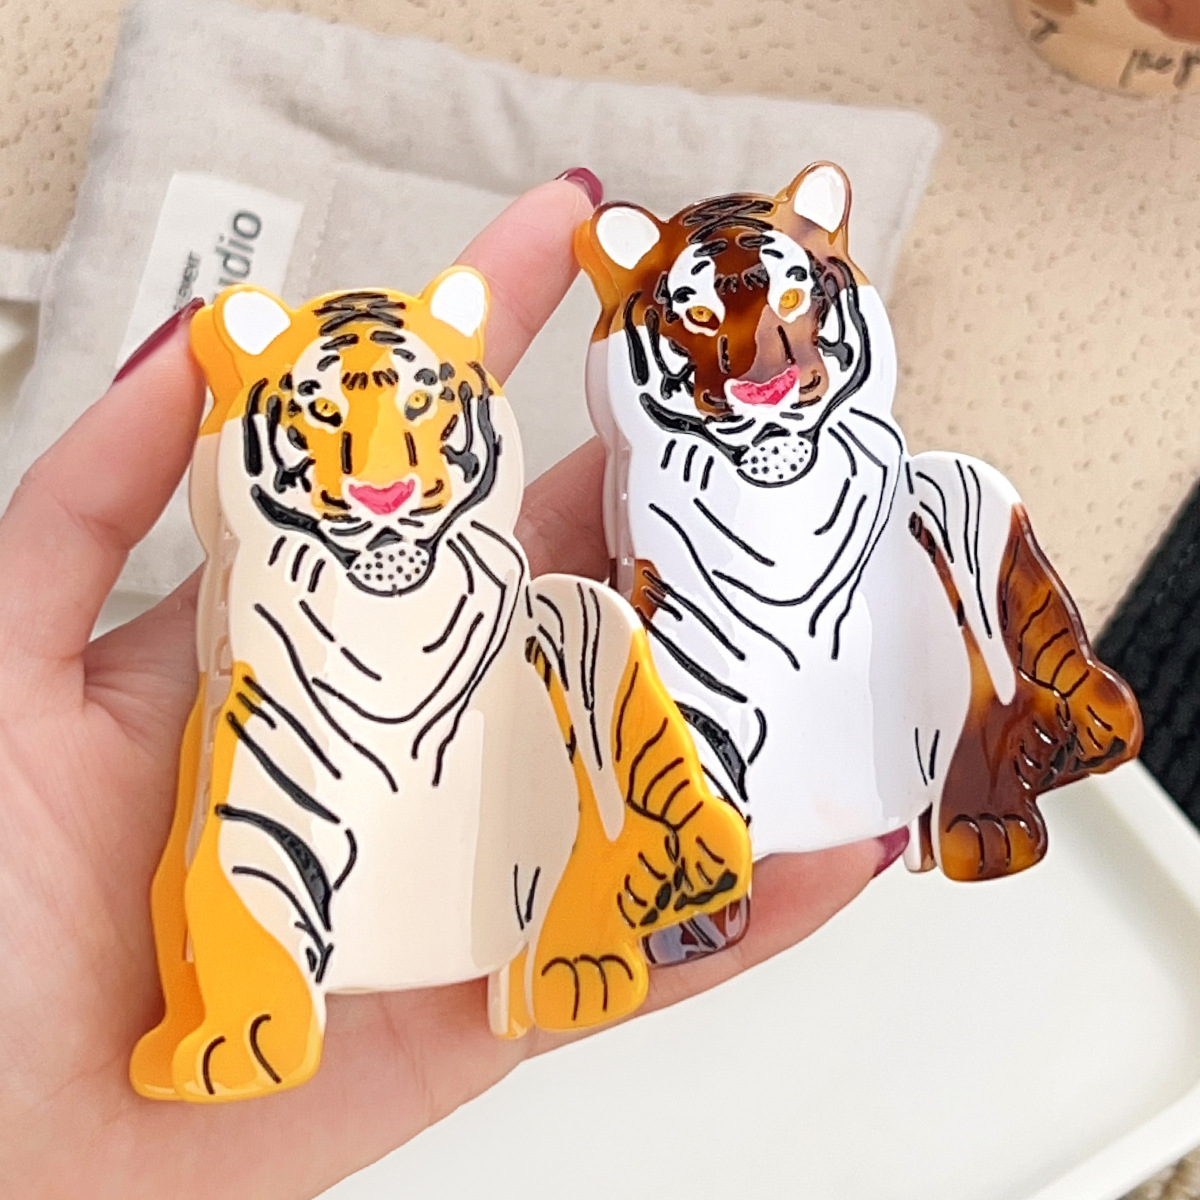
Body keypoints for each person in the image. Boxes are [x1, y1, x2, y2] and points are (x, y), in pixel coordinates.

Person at [0, 172, 903, 1198]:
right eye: (321, 420)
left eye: (426, 412)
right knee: (245, 803)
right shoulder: (261, 614)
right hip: (305, 781)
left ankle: (611, 885)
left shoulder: (512, 590)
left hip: (504, 869)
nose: (381, 476)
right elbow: (234, 826)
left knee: (583, 629)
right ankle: (262, 994)